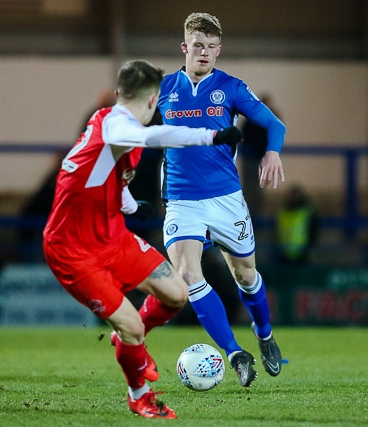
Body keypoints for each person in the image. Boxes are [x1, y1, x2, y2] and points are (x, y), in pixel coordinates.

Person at [42, 59, 242, 419]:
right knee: (133, 325)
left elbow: (110, 175)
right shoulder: (123, 126)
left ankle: (127, 341)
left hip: (112, 235)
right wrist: (211, 136)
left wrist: (133, 207)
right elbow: (155, 137)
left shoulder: (112, 124)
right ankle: (140, 395)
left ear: (120, 93)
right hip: (74, 249)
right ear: (154, 103)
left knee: (177, 294)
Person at [157, 12, 286, 387]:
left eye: (212, 47)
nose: (205, 53)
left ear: (219, 50)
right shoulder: (163, 88)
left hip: (226, 198)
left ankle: (264, 335)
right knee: (186, 274)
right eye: (198, 46)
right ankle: (234, 352)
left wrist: (273, 152)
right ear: (185, 47)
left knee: (246, 275)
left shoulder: (230, 87)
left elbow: (274, 125)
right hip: (182, 199)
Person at [240, 93, 281, 217]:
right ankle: (252, 213)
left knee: (255, 186)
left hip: (258, 157)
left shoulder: (253, 116)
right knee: (252, 185)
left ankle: (254, 213)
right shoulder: (267, 118)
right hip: (255, 156)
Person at [275, 184, 319, 265]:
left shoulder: (307, 212)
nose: (291, 198)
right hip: (283, 254)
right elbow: (276, 231)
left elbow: (313, 231)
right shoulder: (282, 211)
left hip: (303, 255)